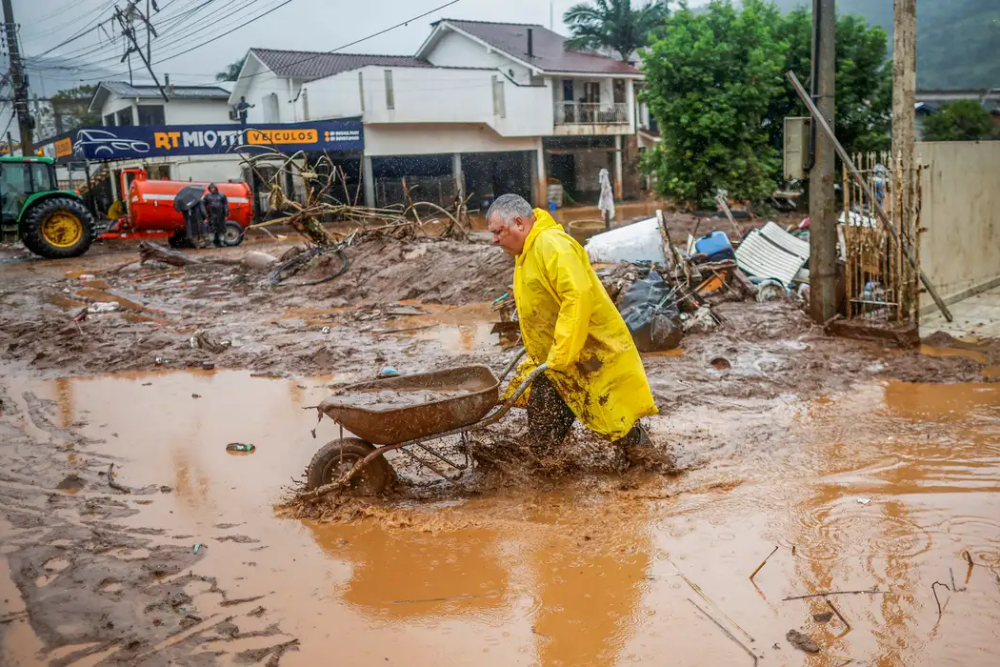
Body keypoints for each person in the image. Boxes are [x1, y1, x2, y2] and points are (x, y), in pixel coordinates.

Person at [486, 193, 668, 468]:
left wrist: (561, 352)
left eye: (498, 232)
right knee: (543, 442)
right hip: (557, 361)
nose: (495, 240)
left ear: (520, 223)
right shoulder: (529, 251)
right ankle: (551, 482)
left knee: (615, 418)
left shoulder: (552, 246)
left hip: (587, 355)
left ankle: (656, 470)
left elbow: (577, 297)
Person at [202, 183, 229, 247]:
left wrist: (226, 214)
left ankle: (221, 242)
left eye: (213, 188)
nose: (212, 189)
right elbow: (203, 205)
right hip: (212, 215)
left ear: (216, 188)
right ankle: (211, 243)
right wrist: (205, 214)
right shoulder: (207, 196)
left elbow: (225, 205)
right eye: (210, 188)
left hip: (221, 215)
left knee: (221, 229)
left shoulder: (222, 195)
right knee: (211, 229)